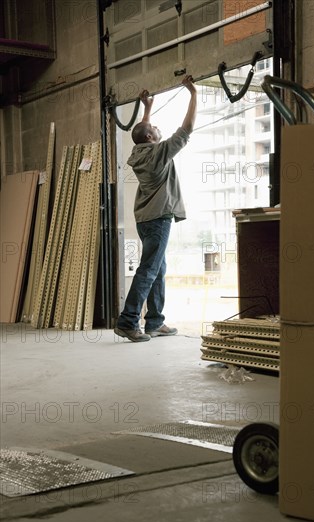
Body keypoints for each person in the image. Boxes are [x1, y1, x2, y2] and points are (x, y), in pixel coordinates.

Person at [114, 75, 197, 342]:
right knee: (149, 270)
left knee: (158, 268)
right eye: (155, 128)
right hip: (159, 218)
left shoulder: (138, 153)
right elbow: (186, 129)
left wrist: (147, 107)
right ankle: (128, 322)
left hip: (144, 219)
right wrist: (193, 94)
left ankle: (154, 322)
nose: (159, 129)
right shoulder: (159, 153)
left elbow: (142, 131)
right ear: (151, 137)